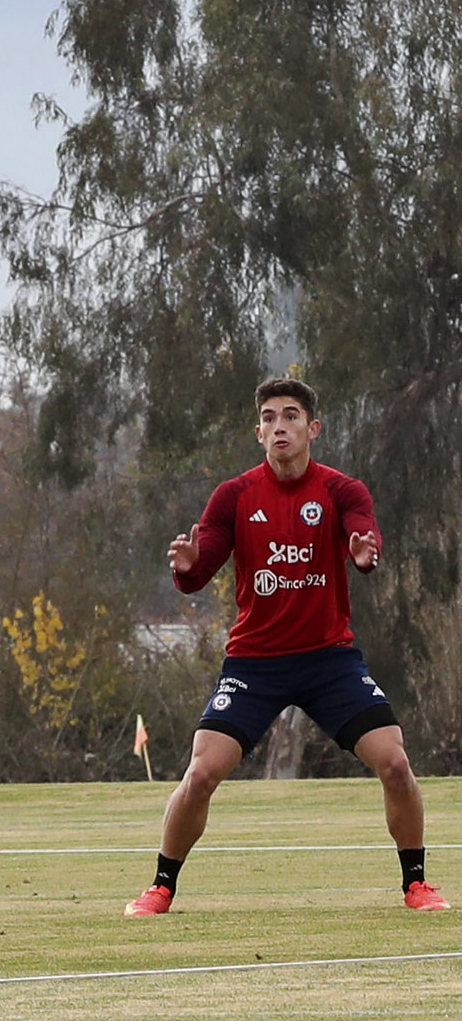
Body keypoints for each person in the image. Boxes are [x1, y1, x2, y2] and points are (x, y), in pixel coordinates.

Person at [125, 377, 446, 916]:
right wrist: (184, 569)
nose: (281, 425)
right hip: (255, 663)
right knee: (201, 773)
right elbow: (199, 571)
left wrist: (365, 556)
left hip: (330, 661)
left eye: (292, 416)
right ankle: (160, 887)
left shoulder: (342, 491)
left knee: (394, 763)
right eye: (270, 417)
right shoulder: (235, 496)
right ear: (258, 432)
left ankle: (416, 884)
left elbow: (363, 537)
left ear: (311, 428)